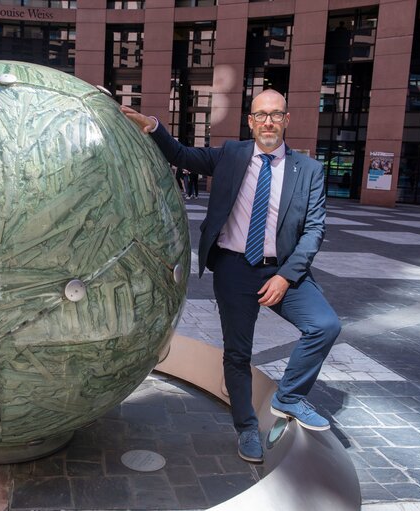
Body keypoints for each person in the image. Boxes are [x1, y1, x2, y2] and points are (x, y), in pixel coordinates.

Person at [121, 89, 340, 464]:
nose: (268, 121)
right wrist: (153, 126)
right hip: (234, 269)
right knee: (238, 353)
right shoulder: (232, 155)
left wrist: (286, 277)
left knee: (325, 325)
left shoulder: (310, 172)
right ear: (251, 121)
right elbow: (182, 156)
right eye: (260, 115)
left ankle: (289, 396)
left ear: (286, 120)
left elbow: (314, 231)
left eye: (275, 115)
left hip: (282, 270)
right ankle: (246, 430)